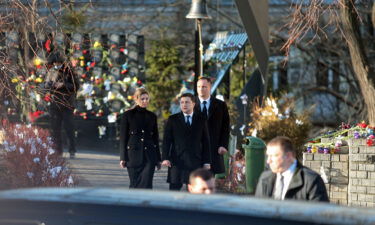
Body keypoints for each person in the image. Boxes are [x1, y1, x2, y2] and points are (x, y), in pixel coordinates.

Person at [255, 136, 329, 202]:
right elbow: (256, 210)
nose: (268, 161)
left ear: (288, 156)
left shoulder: (311, 180)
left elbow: (320, 214)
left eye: (273, 156)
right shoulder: (264, 178)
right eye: (268, 156)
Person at [162, 92, 211, 191]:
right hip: (176, 161)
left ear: (193, 104)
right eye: (182, 102)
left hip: (195, 161)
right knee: (174, 190)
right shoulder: (173, 119)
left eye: (187, 102)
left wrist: (207, 161)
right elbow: (167, 140)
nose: (184, 105)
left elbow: (206, 142)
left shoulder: (201, 119)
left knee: (195, 191)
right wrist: (165, 158)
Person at [119, 88, 161, 189]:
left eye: (147, 99)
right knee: (134, 184)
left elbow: (155, 138)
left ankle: (146, 204)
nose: (145, 101)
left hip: (149, 157)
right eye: (142, 99)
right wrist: (123, 157)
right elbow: (123, 137)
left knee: (147, 184)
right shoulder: (128, 115)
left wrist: (158, 159)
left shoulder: (152, 116)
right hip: (133, 156)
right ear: (136, 99)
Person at [45, 53, 79, 158]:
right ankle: (57, 150)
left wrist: (63, 85)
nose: (56, 64)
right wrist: (51, 85)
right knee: (55, 129)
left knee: (69, 128)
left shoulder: (70, 72)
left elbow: (76, 86)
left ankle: (72, 150)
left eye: (58, 63)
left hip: (67, 104)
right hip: (55, 103)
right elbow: (46, 85)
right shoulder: (51, 72)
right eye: (55, 63)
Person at [194, 76, 230, 175]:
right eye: (199, 87)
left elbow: (225, 127)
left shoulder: (220, 105)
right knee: (194, 179)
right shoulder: (190, 104)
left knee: (209, 178)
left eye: (204, 87)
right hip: (194, 150)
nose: (201, 89)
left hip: (213, 149)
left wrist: (223, 145)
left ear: (210, 87)